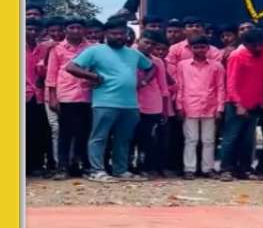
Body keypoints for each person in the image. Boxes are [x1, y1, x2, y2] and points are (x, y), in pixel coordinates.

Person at [63, 18, 154, 182]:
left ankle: (121, 170)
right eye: (114, 33)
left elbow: (150, 66)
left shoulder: (133, 53)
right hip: (104, 103)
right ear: (105, 34)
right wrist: (93, 76)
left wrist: (144, 81)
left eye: (122, 33)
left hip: (130, 104)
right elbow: (71, 67)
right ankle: (97, 170)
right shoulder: (95, 51)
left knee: (124, 138)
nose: (119, 37)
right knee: (99, 137)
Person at [220, 28, 263, 181]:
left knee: (248, 138)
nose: (258, 48)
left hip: (257, 102)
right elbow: (231, 83)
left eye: (261, 45)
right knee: (231, 136)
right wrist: (238, 105)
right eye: (254, 46)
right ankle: (226, 169)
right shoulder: (237, 56)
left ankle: (245, 168)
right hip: (236, 103)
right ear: (245, 44)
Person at [45, 17, 93, 178]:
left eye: (79, 28)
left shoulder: (92, 48)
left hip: (87, 95)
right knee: (65, 133)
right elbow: (51, 74)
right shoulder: (57, 49)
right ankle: (62, 167)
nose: (75, 31)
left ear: (84, 30)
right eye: (71, 28)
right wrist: (52, 97)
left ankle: (82, 166)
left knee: (85, 132)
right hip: (66, 96)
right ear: (66, 30)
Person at [172, 35, 225, 178]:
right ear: (191, 49)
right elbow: (180, 86)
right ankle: (189, 169)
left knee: (208, 140)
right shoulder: (183, 65)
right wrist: (179, 106)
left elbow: (220, 87)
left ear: (208, 48)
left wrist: (220, 108)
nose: (200, 50)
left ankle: (207, 169)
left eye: (203, 47)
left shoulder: (216, 66)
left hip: (210, 106)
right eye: (196, 47)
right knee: (191, 139)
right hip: (189, 106)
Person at [132, 32, 171, 177]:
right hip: (131, 103)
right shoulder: (128, 56)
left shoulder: (157, 61)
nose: (149, 46)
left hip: (152, 105)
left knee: (148, 138)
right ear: (139, 40)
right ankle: (128, 166)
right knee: (130, 137)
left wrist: (165, 110)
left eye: (152, 44)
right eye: (146, 42)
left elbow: (164, 88)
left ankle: (145, 167)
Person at [25, 17, 54, 176]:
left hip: (39, 96)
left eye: (36, 30)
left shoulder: (44, 48)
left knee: (38, 132)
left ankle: (36, 165)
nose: (32, 32)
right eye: (29, 29)